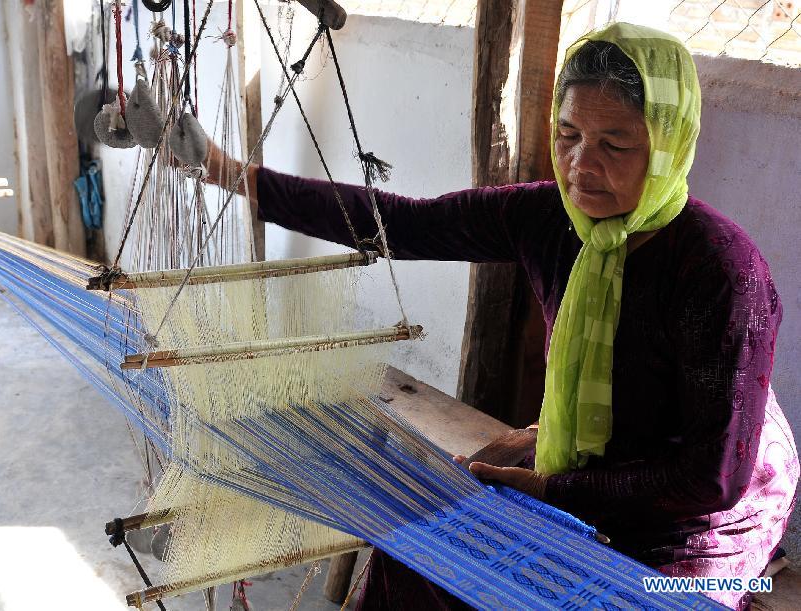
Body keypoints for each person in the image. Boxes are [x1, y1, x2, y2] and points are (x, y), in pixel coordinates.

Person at [205, 22, 798, 611]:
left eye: (615, 144)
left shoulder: (721, 272)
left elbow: (713, 478)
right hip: (596, 463)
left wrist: (548, 487)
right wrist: (229, 174)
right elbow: (403, 223)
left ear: (670, 142)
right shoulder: (550, 216)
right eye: (568, 134)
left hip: (701, 516)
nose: (581, 164)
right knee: (417, 561)